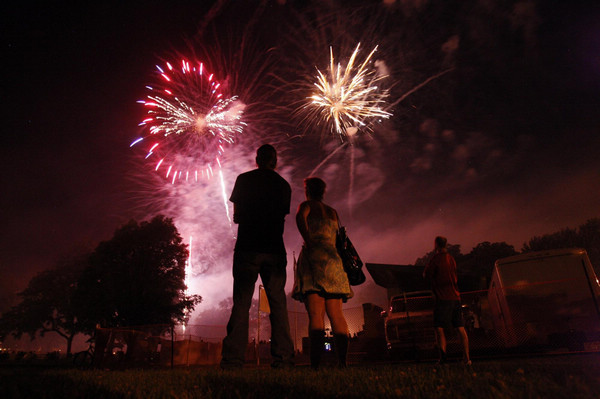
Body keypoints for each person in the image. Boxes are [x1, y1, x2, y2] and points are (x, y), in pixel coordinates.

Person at [220, 144, 295, 369]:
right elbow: (281, 214)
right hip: (274, 249)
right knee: (278, 304)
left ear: (257, 159)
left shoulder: (243, 180)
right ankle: (283, 358)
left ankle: (233, 360)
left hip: (247, 247)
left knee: (241, 303)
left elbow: (237, 217)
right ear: (275, 161)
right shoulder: (283, 185)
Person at [292, 177, 353, 368]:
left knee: (316, 315)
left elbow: (300, 219)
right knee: (337, 315)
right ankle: (342, 361)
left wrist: (308, 239)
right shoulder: (332, 212)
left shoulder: (307, 205)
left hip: (314, 261)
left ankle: (316, 364)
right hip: (333, 261)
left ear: (308, 190)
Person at [423, 236, 471, 365]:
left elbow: (426, 274)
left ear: (436, 245)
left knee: (439, 328)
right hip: (455, 297)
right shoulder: (451, 259)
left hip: (443, 298)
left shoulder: (436, 259)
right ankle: (467, 358)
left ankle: (443, 358)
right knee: (460, 327)